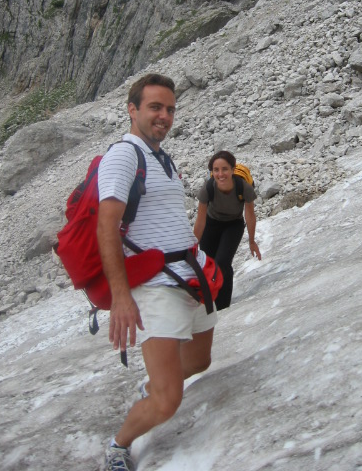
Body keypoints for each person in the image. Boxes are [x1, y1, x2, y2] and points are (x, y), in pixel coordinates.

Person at [97, 73, 217, 471]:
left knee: (199, 360)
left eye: (170, 109)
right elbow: (106, 226)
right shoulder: (124, 156)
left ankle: (152, 383)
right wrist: (121, 297)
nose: (164, 116)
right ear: (132, 110)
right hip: (155, 286)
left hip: (189, 275)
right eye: (155, 107)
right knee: (167, 402)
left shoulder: (162, 157)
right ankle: (118, 446)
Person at [193, 150, 262, 311]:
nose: (220, 174)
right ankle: (212, 303)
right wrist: (193, 245)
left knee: (222, 263)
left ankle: (223, 307)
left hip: (233, 225)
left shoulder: (243, 187)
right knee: (209, 265)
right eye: (216, 170)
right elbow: (200, 220)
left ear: (232, 169)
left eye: (224, 169)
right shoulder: (208, 188)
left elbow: (250, 215)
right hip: (211, 225)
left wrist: (252, 241)